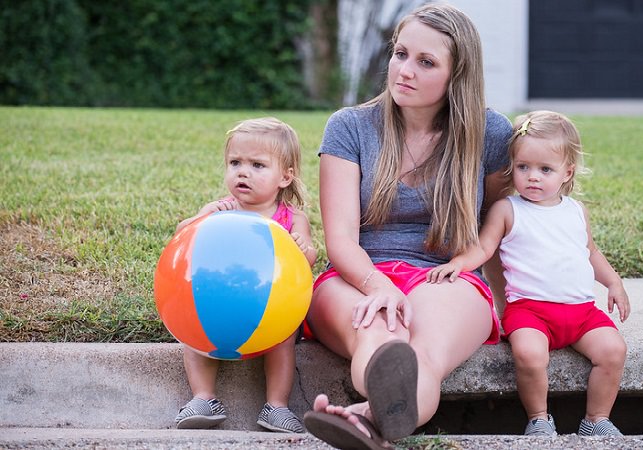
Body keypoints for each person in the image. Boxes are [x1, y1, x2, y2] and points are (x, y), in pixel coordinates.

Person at [301, 4, 513, 449]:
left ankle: (365, 419)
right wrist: (378, 284)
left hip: (445, 276)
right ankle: (374, 418)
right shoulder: (350, 127)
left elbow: (496, 227)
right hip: (356, 275)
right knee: (378, 334)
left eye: (426, 62)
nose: (405, 71)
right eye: (400, 54)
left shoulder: (489, 134)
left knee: (424, 355)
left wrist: (507, 304)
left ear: (457, 76)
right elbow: (341, 239)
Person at [427, 110, 631, 436]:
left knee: (613, 351)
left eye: (545, 169)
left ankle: (596, 420)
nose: (532, 176)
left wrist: (613, 281)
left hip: (580, 313)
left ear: (567, 172)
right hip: (530, 312)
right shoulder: (508, 210)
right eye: (523, 167)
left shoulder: (576, 212)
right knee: (529, 354)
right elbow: (483, 248)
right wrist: (458, 263)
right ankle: (539, 418)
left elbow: (590, 252)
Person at [173, 117, 316, 433]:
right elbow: (182, 236)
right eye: (235, 162)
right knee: (194, 332)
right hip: (221, 304)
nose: (243, 171)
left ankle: (276, 406)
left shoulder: (292, 217)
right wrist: (203, 218)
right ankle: (203, 397)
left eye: (257, 165)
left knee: (284, 339)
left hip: (271, 310)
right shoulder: (222, 208)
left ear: (285, 176)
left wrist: (301, 245)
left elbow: (308, 258)